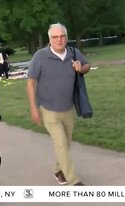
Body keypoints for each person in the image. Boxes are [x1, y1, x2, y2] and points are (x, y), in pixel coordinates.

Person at [26, 23, 91, 186]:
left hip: (68, 108)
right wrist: (34, 108)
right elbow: (31, 82)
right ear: (50, 39)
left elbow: (87, 66)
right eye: (55, 37)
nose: (59, 39)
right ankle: (73, 180)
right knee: (61, 143)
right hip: (48, 109)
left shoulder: (74, 53)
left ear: (66, 37)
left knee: (65, 144)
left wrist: (80, 68)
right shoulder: (40, 56)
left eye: (62, 36)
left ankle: (58, 169)